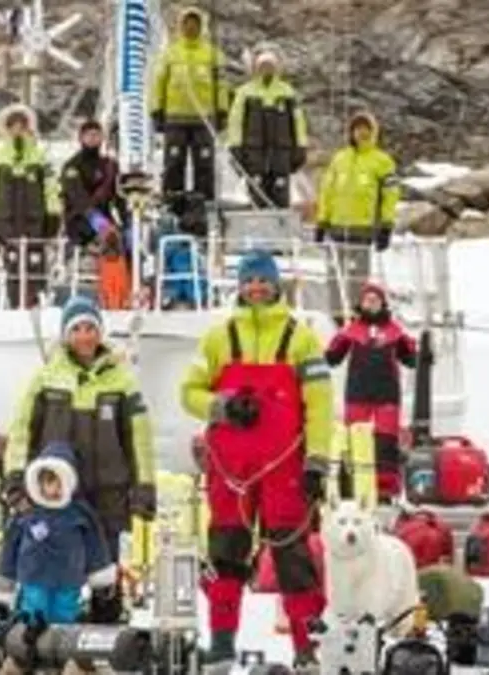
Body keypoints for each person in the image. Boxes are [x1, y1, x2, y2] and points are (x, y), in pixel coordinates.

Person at [180, 250, 332, 667]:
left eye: (263, 280)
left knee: (293, 558)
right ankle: (224, 643)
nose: (257, 288)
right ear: (240, 286)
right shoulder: (217, 338)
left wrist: (317, 461)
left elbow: (320, 405)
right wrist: (223, 406)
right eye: (249, 281)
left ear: (275, 284)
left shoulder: (301, 339)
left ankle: (306, 647)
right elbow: (188, 393)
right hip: (230, 470)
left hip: (285, 468)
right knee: (225, 553)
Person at [3, 294, 157, 622]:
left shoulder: (122, 380)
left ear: (100, 333)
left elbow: (139, 439)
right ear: (66, 335)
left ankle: (104, 631)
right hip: (54, 492)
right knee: (50, 564)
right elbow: (21, 432)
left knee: (106, 567)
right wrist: (16, 478)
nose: (85, 336)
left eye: (91, 328)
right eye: (77, 329)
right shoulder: (46, 379)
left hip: (108, 493)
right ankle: (42, 630)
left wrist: (144, 486)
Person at [0, 441, 119, 675]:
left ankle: (63, 655)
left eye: (58, 482)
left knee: (65, 614)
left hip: (68, 578)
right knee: (33, 612)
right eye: (48, 482)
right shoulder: (27, 514)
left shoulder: (79, 514)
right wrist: (3, 575)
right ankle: (26, 654)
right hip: (34, 576)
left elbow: (96, 543)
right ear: (38, 483)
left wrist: (101, 574)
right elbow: (10, 545)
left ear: (68, 482)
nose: (53, 489)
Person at [325, 281, 420, 501]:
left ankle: (386, 488)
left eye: (375, 300)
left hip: (386, 394)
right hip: (358, 393)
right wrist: (324, 357)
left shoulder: (395, 331)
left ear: (382, 303)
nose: (371, 304)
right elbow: (334, 355)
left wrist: (420, 357)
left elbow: (409, 356)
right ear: (361, 303)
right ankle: (354, 483)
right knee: (355, 438)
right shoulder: (352, 330)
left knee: (386, 440)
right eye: (367, 300)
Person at [315, 111, 401, 325]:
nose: (361, 132)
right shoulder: (339, 159)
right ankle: (336, 318)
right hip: (336, 229)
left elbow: (391, 195)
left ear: (373, 132)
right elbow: (327, 191)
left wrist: (387, 225)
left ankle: (357, 318)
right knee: (334, 277)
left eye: (366, 128)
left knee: (357, 279)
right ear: (351, 132)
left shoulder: (383, 162)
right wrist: (321, 221)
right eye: (357, 128)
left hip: (362, 230)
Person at [0, 103, 63, 309]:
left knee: (36, 266)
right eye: (12, 125)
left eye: (21, 125)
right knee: (12, 268)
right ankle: (14, 307)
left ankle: (39, 305)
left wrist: (53, 215)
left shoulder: (40, 158)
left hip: (35, 224)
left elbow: (51, 188)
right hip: (6, 225)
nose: (17, 129)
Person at [149, 6, 230, 205]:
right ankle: (172, 202)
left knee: (204, 163)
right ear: (180, 26)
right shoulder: (170, 54)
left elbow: (221, 85)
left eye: (195, 23)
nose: (191, 27)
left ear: (201, 26)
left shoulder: (213, 55)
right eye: (187, 23)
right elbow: (159, 82)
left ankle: (204, 204)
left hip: (204, 120)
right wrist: (156, 111)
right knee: (174, 162)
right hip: (175, 120)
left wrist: (222, 111)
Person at [225, 43, 308, 208]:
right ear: (255, 68)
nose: (266, 69)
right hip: (253, 155)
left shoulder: (287, 93)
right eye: (263, 66)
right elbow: (236, 123)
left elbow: (298, 123)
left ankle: (281, 229)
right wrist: (235, 149)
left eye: (270, 66)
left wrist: (300, 148)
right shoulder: (245, 93)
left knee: (281, 197)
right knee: (256, 196)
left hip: (281, 157)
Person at [60, 119, 128, 248]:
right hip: (78, 219)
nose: (93, 138)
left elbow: (118, 195)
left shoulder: (108, 165)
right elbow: (77, 197)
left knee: (125, 240)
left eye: (97, 134)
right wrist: (95, 218)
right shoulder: (72, 166)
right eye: (89, 135)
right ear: (81, 138)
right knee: (109, 237)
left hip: (105, 217)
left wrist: (126, 221)